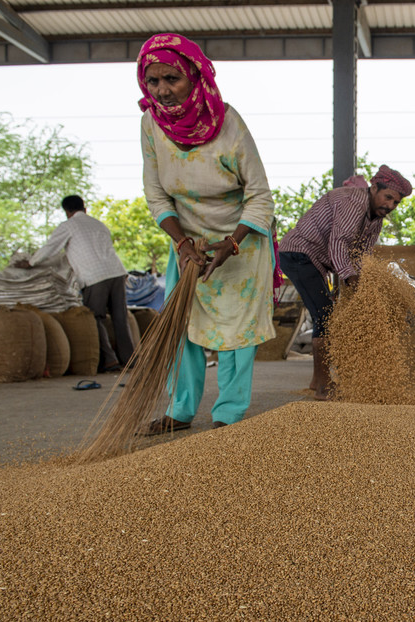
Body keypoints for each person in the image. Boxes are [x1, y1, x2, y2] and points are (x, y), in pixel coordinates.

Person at [136, 33, 278, 434]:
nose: (162, 91)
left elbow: (261, 199)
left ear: (195, 77)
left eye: (172, 79)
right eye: (153, 81)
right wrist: (182, 243)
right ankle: (179, 412)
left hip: (241, 239)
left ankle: (227, 415)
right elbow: (156, 195)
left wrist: (232, 243)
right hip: (187, 239)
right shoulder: (151, 125)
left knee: (236, 332)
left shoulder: (228, 124)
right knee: (182, 327)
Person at [278, 165, 412, 400]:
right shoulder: (354, 202)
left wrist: (366, 283)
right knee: (326, 314)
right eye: (388, 197)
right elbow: (339, 243)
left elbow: (361, 255)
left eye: (396, 203)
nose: (390, 205)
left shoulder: (375, 220)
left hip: (318, 261)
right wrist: (350, 277)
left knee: (330, 312)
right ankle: (323, 385)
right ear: (374, 188)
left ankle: (316, 380)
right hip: (299, 253)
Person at [23, 195, 133, 373]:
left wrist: (31, 263)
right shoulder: (99, 225)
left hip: (95, 276)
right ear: (85, 209)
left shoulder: (68, 226)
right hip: (117, 272)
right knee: (120, 318)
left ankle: (109, 359)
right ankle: (130, 360)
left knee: (95, 317)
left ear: (67, 212)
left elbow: (51, 247)